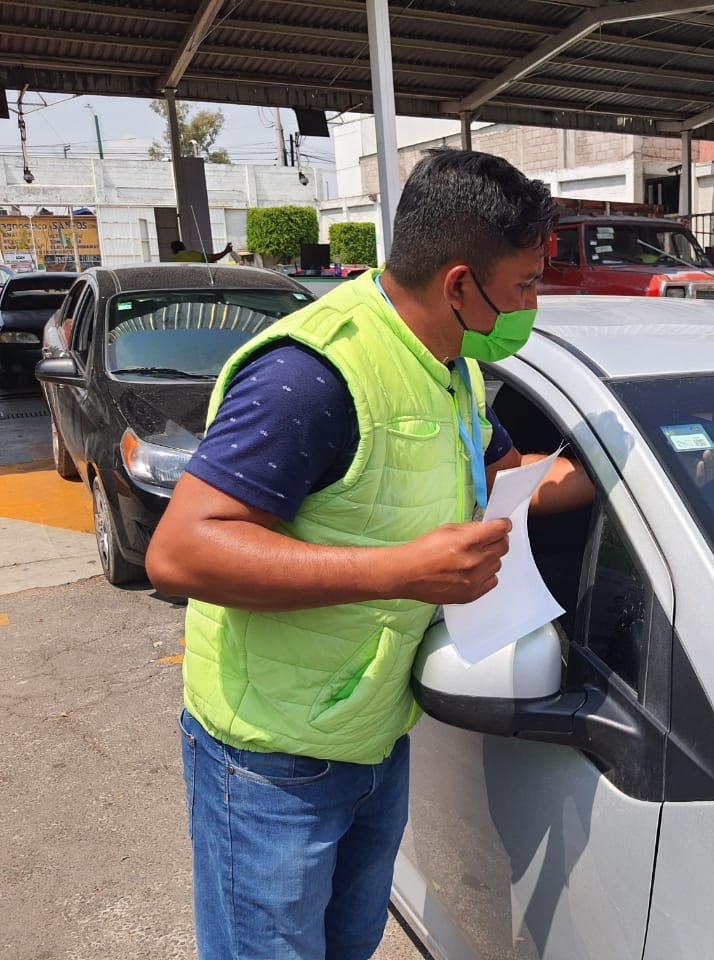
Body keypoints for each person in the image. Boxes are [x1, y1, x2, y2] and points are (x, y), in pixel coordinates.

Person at [145, 149, 594, 960]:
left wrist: (616, 472)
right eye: (526, 284)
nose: (535, 301)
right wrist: (400, 570)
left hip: (373, 737)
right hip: (270, 761)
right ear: (461, 284)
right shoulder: (312, 377)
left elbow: (494, 470)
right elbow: (180, 552)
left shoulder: (448, 365)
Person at [171, 239, 235, 263]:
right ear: (183, 247)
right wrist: (226, 251)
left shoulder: (173, 261)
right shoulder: (192, 255)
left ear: (173, 250)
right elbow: (212, 258)